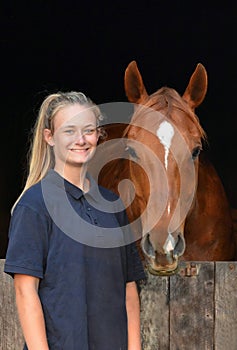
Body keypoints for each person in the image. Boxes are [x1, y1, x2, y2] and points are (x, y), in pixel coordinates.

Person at [4, 91, 146, 350]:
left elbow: (129, 290)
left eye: (88, 130)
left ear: (98, 136)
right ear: (49, 137)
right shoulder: (34, 205)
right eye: (69, 131)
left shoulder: (113, 206)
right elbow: (26, 293)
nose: (81, 140)